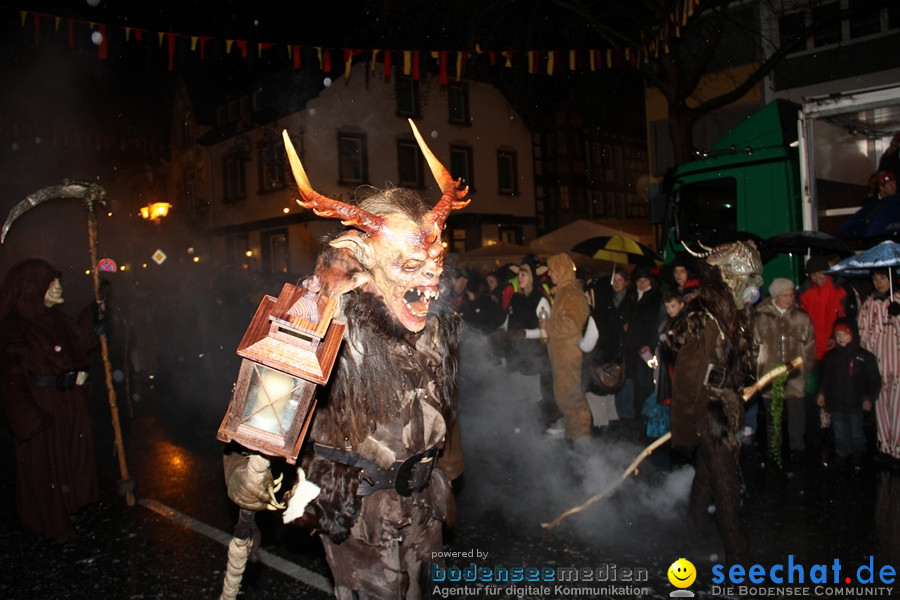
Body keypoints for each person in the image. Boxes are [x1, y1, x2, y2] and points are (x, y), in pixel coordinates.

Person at [225, 121, 467, 599]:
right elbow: (259, 418)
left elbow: (446, 412)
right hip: (357, 515)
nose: (429, 286)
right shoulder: (320, 324)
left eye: (435, 266)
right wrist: (241, 472)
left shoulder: (434, 327)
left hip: (425, 511)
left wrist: (450, 470)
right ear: (363, 259)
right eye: (410, 268)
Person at [666, 240, 763, 565]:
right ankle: (739, 554)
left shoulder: (739, 313)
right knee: (726, 480)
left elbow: (745, 360)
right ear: (728, 277)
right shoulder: (702, 314)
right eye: (746, 278)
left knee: (708, 477)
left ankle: (695, 537)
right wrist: (687, 423)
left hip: (730, 403)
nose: (752, 287)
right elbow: (687, 374)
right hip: (709, 408)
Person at [0, 258, 102, 543]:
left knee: (69, 459)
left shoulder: (57, 319)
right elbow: (11, 378)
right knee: (47, 467)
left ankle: (67, 508)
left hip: (69, 403)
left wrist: (95, 314)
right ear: (32, 288)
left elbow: (79, 341)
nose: (58, 287)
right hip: (43, 406)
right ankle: (51, 523)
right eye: (50, 283)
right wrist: (29, 417)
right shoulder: (14, 327)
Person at [797, 254, 858, 453]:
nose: (818, 277)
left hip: (835, 354)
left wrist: (836, 336)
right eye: (813, 274)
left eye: (821, 272)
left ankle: (837, 437)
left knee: (835, 396)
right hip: (813, 355)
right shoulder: (804, 293)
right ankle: (814, 439)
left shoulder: (841, 289)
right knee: (811, 397)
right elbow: (801, 321)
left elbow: (848, 320)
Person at [752, 277, 816, 465]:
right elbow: (753, 346)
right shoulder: (760, 317)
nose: (790, 299)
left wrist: (806, 368)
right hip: (770, 374)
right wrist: (756, 369)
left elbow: (810, 346)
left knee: (797, 413)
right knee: (773, 413)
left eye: (791, 295)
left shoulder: (801, 317)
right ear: (776, 296)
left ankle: (797, 446)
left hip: (795, 375)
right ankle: (774, 446)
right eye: (785, 295)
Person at [817, 319, 881, 469]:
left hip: (856, 402)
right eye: (838, 334)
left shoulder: (864, 357)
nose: (841, 338)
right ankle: (842, 452)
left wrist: (869, 398)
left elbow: (873, 380)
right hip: (837, 401)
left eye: (844, 334)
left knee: (855, 430)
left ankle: (857, 452)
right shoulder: (831, 356)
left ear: (852, 335)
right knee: (839, 430)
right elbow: (825, 377)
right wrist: (822, 394)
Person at [499, 260, 554, 425]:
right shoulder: (515, 297)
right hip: (515, 355)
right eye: (519, 274)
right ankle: (523, 430)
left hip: (533, 356)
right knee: (519, 396)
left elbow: (546, 332)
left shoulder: (540, 300)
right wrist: (502, 329)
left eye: (523, 274)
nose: (519, 278)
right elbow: (509, 320)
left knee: (534, 397)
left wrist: (525, 333)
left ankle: (538, 429)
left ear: (531, 277)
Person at [544, 252, 591, 441]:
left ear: (562, 271)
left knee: (571, 397)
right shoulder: (564, 292)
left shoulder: (571, 293)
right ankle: (574, 434)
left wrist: (548, 326)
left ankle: (581, 440)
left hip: (569, 355)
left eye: (552, 270)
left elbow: (572, 324)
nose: (549, 274)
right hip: (562, 356)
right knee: (565, 397)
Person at [857, 268, 900, 468]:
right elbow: (862, 330)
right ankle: (885, 447)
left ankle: (897, 449)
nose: (879, 282)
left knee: (897, 408)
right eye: (875, 278)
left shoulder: (897, 300)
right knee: (881, 407)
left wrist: (897, 317)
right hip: (877, 364)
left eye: (883, 278)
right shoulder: (870, 303)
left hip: (897, 365)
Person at [620, 265, 665, 426]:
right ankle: (639, 417)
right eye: (639, 281)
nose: (641, 284)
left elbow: (658, 324)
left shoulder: (656, 298)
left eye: (644, 280)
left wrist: (650, 344)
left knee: (646, 384)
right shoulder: (634, 297)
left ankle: (647, 418)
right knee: (636, 384)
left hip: (646, 349)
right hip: (633, 348)